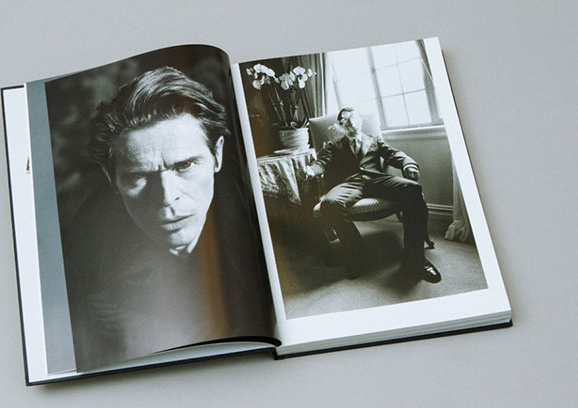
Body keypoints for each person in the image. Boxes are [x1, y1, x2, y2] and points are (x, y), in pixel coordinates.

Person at [62, 66, 272, 371]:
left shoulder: (261, 209)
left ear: (217, 155)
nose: (165, 197)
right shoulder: (85, 259)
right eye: (139, 176)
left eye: (185, 165)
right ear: (111, 178)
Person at [302, 107, 441, 283]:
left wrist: (409, 164)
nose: (350, 123)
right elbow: (322, 162)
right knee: (329, 203)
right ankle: (356, 253)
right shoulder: (334, 145)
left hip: (376, 180)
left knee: (412, 189)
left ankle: (416, 259)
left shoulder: (374, 140)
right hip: (349, 183)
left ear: (360, 121)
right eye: (345, 120)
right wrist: (311, 171)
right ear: (341, 126)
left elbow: (393, 154)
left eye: (353, 118)